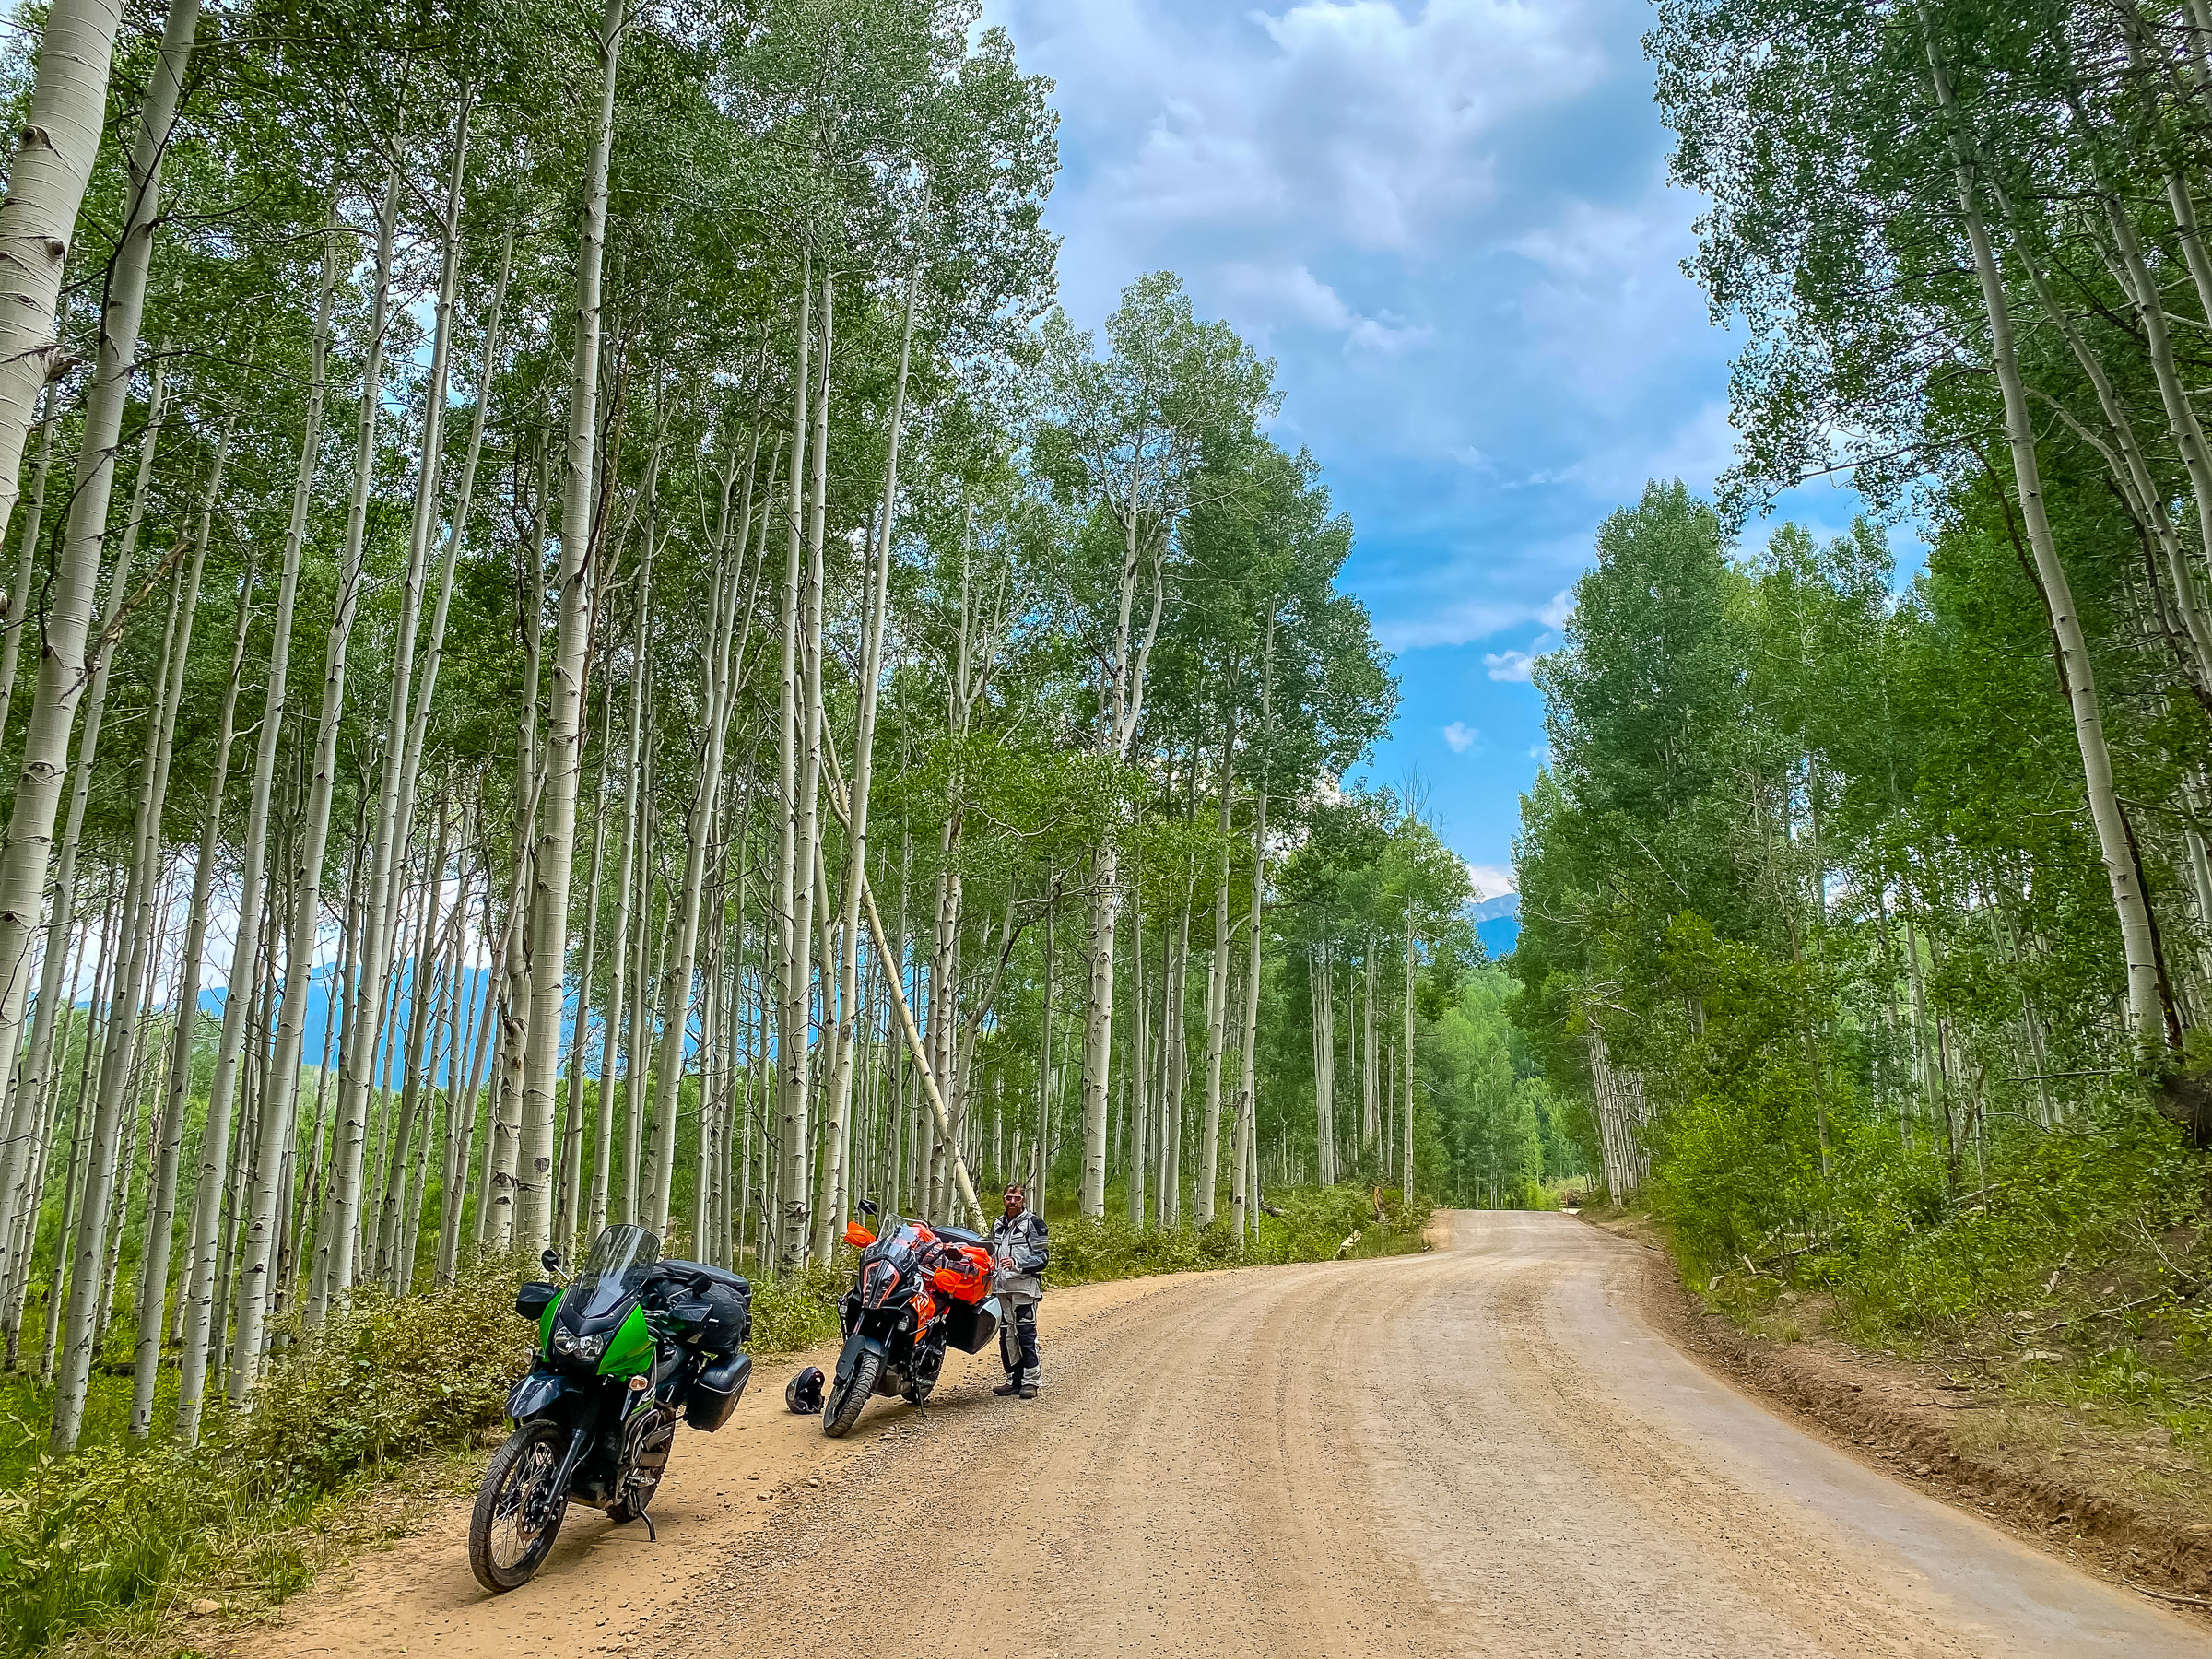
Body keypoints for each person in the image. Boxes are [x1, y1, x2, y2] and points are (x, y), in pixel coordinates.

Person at [990, 1183, 1048, 1398]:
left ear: (1023, 1200)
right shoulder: (997, 1224)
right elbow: (991, 1253)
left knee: (1025, 1334)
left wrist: (1017, 1262)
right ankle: (1013, 1379)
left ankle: (1031, 1381)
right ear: (1003, 1199)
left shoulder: (1034, 1223)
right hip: (1001, 1289)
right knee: (1007, 1336)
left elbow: (1042, 1258)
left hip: (1024, 1288)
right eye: (1008, 1197)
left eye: (1016, 1198)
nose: (1012, 1201)